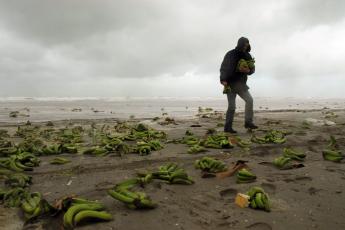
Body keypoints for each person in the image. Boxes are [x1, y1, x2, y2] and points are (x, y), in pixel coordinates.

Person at [219, 37, 258, 133]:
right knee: (232, 106)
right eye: (244, 44)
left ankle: (248, 122)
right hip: (230, 83)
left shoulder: (248, 56)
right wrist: (223, 79)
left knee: (249, 100)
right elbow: (223, 67)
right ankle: (228, 128)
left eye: (247, 44)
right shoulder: (230, 54)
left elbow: (252, 70)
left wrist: (248, 71)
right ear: (240, 44)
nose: (246, 46)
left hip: (241, 84)